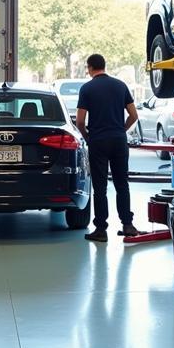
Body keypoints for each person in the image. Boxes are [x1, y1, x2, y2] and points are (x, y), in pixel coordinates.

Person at [76, 54, 140, 243]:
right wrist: (121, 129)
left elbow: (80, 121)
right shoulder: (121, 85)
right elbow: (133, 115)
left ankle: (101, 229)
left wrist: (88, 137)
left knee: (100, 187)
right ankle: (127, 225)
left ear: (90, 68)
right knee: (122, 184)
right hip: (119, 141)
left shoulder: (87, 88)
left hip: (98, 141)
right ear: (104, 66)